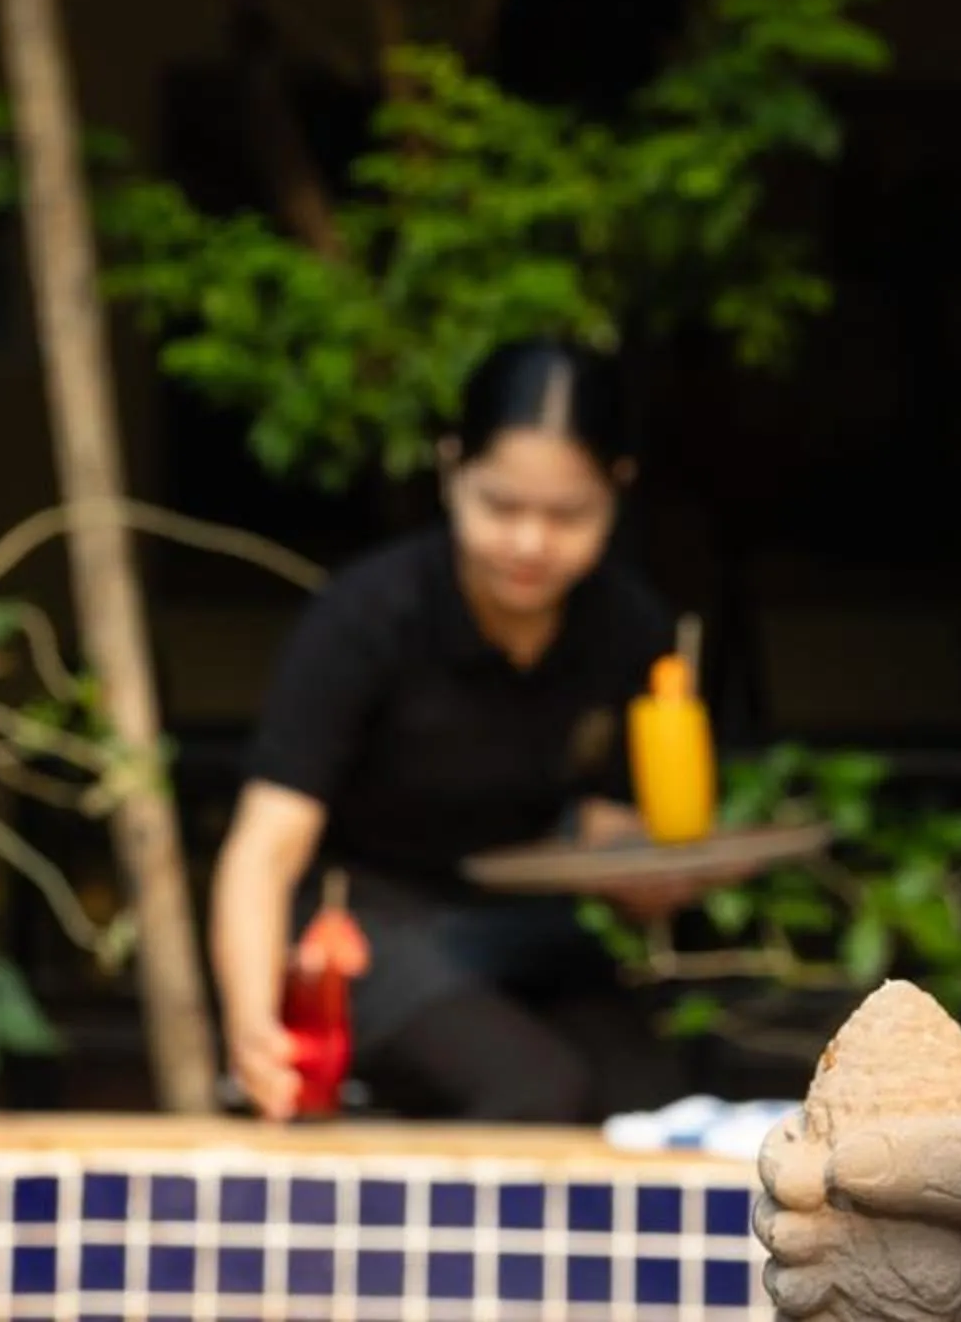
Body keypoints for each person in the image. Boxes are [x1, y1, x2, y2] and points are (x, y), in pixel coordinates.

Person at [212, 338, 705, 1124]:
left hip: (523, 926)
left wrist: (649, 873)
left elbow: (612, 831)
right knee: (537, 1091)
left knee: (657, 1107)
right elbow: (266, 845)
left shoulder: (630, 628)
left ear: (618, 489)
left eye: (566, 514)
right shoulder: (368, 616)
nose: (530, 543)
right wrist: (251, 1024)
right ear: (451, 470)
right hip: (363, 927)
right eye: (501, 506)